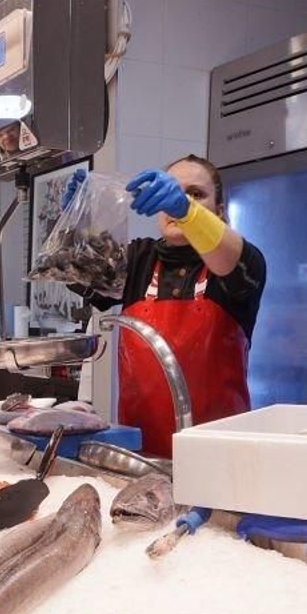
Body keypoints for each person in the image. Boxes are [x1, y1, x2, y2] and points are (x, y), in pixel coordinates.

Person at [66, 156, 267, 457]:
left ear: (220, 212)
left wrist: (188, 213)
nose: (181, 202)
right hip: (141, 458)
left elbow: (233, 261)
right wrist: (73, 221)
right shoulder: (137, 259)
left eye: (196, 194)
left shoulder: (239, 262)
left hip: (220, 460)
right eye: (174, 193)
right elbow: (74, 272)